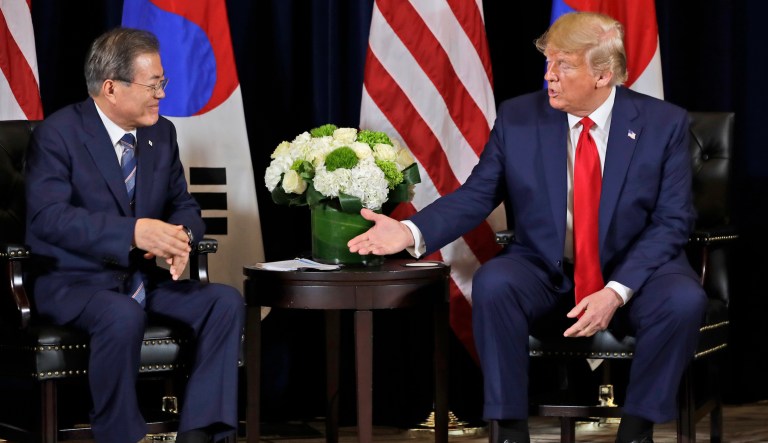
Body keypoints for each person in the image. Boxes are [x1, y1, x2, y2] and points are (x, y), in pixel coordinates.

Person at [348, 12, 706, 443]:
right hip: (546, 267)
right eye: (549, 62)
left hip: (636, 270)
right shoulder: (520, 117)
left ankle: (636, 428)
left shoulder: (663, 123)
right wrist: (409, 232)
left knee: (684, 299)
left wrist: (615, 290)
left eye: (563, 66)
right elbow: (477, 195)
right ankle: (509, 430)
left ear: (603, 75)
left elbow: (672, 221)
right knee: (495, 282)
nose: (549, 76)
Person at [25, 28, 244, 443]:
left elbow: (185, 207)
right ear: (111, 87)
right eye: (154, 84)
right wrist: (135, 232)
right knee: (120, 314)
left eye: (163, 83)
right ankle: (119, 435)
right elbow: (47, 218)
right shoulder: (60, 134)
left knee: (224, 301)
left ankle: (202, 434)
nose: (161, 94)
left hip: (143, 279)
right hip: (74, 281)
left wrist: (180, 238)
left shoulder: (161, 133)